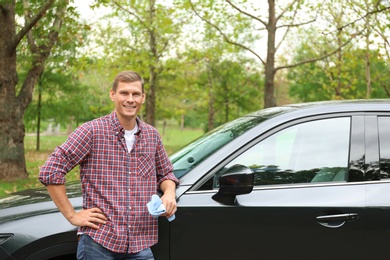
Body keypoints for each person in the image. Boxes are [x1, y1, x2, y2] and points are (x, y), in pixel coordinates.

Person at [39, 70, 179, 260]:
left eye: (135, 94)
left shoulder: (152, 135)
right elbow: (51, 171)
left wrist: (169, 193)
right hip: (99, 242)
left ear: (143, 98)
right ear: (112, 95)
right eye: (124, 93)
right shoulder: (91, 131)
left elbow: (166, 174)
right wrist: (72, 215)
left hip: (140, 244)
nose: (130, 99)